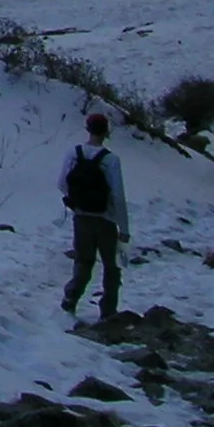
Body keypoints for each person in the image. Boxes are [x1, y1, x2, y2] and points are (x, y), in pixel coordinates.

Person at [60, 111, 127, 320]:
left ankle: (70, 299)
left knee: (83, 260)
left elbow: (62, 183)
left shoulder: (73, 153)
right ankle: (108, 310)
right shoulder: (111, 159)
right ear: (106, 131)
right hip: (105, 220)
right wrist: (124, 228)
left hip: (81, 217)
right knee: (111, 266)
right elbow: (118, 195)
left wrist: (76, 201)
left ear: (87, 129)